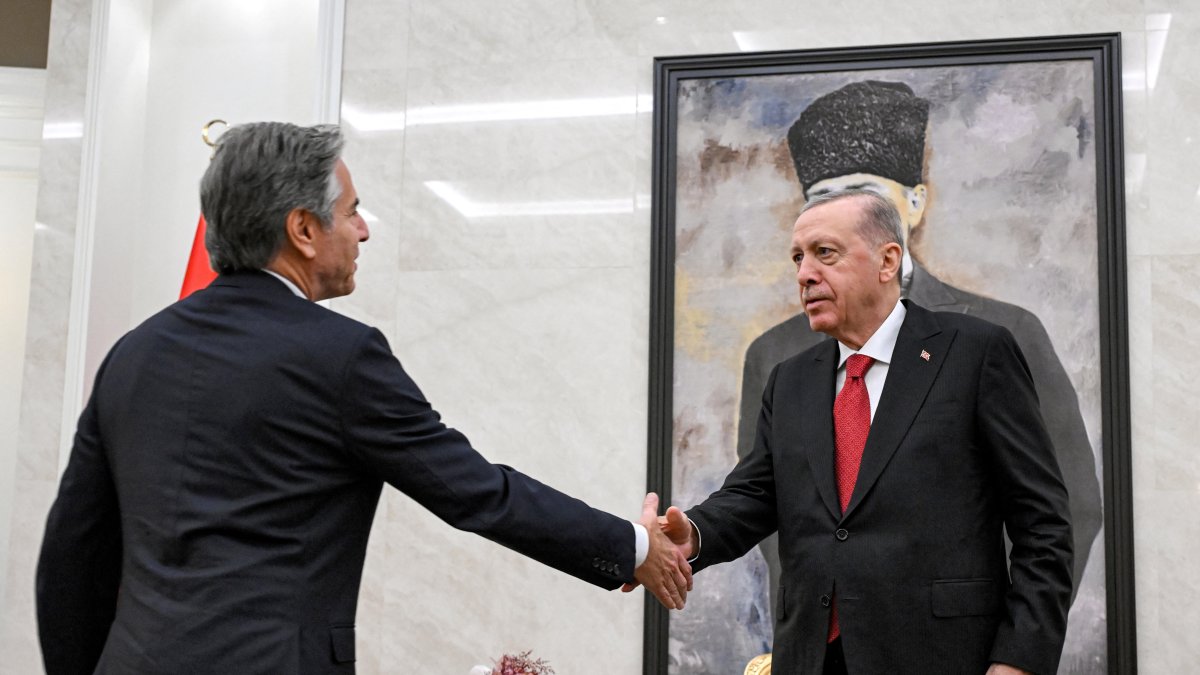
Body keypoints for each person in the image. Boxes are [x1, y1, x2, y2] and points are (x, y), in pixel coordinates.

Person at [35, 122, 691, 674]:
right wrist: (632, 545)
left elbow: (71, 552)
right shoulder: (338, 355)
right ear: (302, 228)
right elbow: (477, 492)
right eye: (351, 211)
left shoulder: (133, 353)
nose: (364, 231)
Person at [667, 190, 1073, 673]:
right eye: (798, 258)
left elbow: (1043, 525)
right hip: (811, 656)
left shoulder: (975, 353)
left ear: (887, 261)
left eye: (825, 253)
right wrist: (690, 534)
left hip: (941, 656)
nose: (804, 274)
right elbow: (756, 494)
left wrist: (1018, 661)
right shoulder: (789, 379)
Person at [738, 80, 1101, 607]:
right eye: (820, 202)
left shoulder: (1001, 335)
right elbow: (765, 506)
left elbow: (1062, 509)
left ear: (912, 205)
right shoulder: (778, 359)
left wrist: (1014, 650)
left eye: (861, 194)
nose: (807, 273)